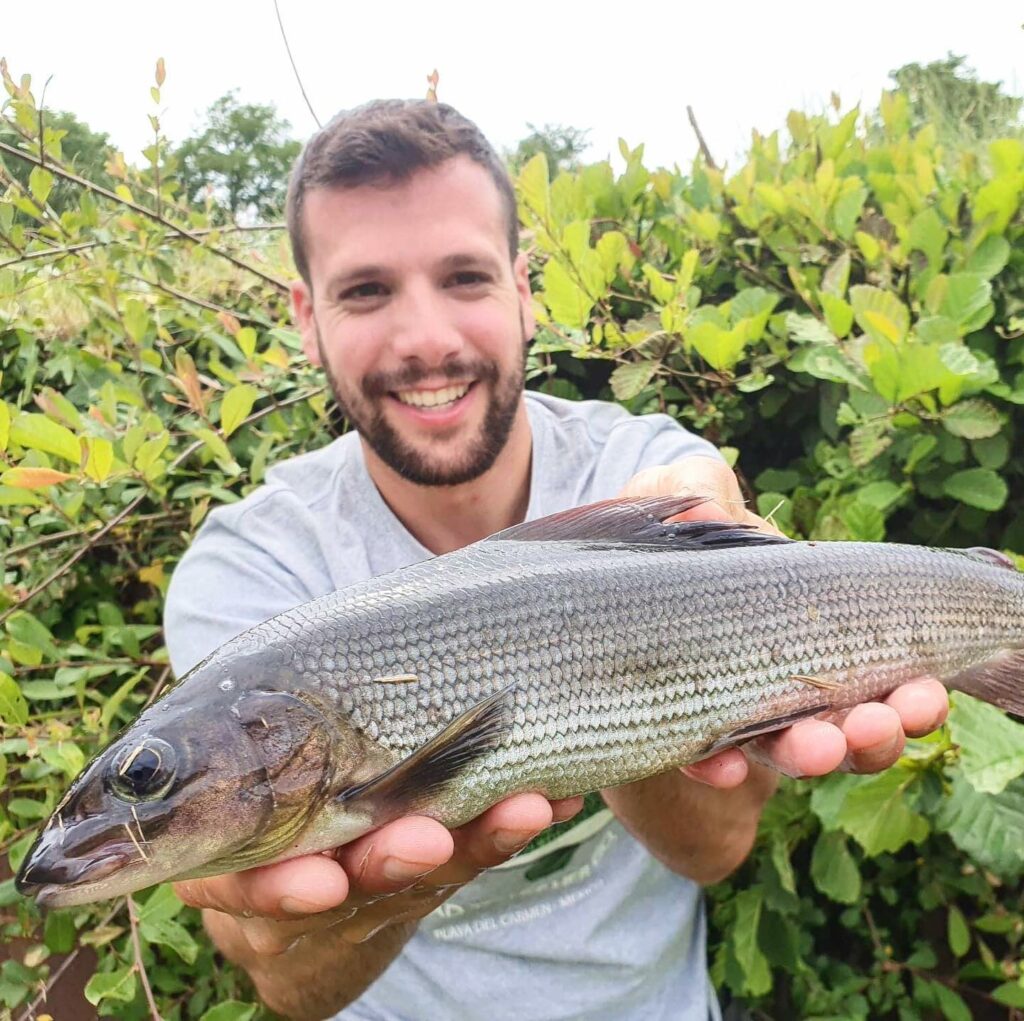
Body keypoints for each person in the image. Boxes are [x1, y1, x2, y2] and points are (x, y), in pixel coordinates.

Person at [163, 100, 949, 1021]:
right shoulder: (253, 569)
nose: (425, 339)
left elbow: (713, 852)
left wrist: (601, 647)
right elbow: (285, 981)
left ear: (524, 289)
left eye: (464, 277)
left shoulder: (641, 469)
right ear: (307, 317)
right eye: (366, 291)